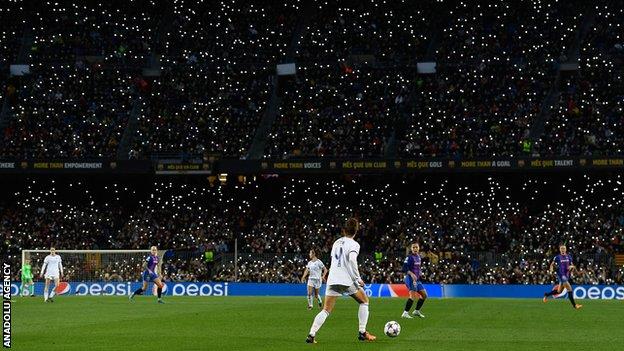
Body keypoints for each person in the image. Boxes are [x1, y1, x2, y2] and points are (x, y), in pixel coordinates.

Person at [306, 218, 376, 344]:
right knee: (364, 301)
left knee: (326, 310)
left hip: (332, 278)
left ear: (344, 230)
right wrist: (357, 278)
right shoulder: (354, 244)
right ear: (356, 230)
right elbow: (352, 260)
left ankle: (311, 334)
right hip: (346, 280)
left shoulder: (337, 242)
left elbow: (334, 259)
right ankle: (362, 332)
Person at [543, 244, 582, 309]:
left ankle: (546, 295)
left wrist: (571, 267)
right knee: (569, 289)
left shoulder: (569, 257)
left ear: (566, 249)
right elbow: (552, 264)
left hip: (567, 275)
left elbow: (573, 266)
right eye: (561, 249)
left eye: (564, 248)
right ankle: (575, 305)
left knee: (559, 291)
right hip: (561, 275)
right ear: (560, 250)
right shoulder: (557, 257)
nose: (563, 250)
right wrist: (551, 270)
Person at [401, 242, 428, 318]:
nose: (415, 249)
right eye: (413, 247)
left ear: (419, 248)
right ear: (411, 249)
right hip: (410, 278)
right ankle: (405, 313)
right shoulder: (409, 257)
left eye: (416, 247)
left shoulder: (419, 257)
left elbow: (418, 268)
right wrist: (412, 274)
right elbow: (404, 268)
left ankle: (416, 311)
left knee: (424, 295)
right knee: (412, 296)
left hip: (417, 279)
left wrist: (421, 274)